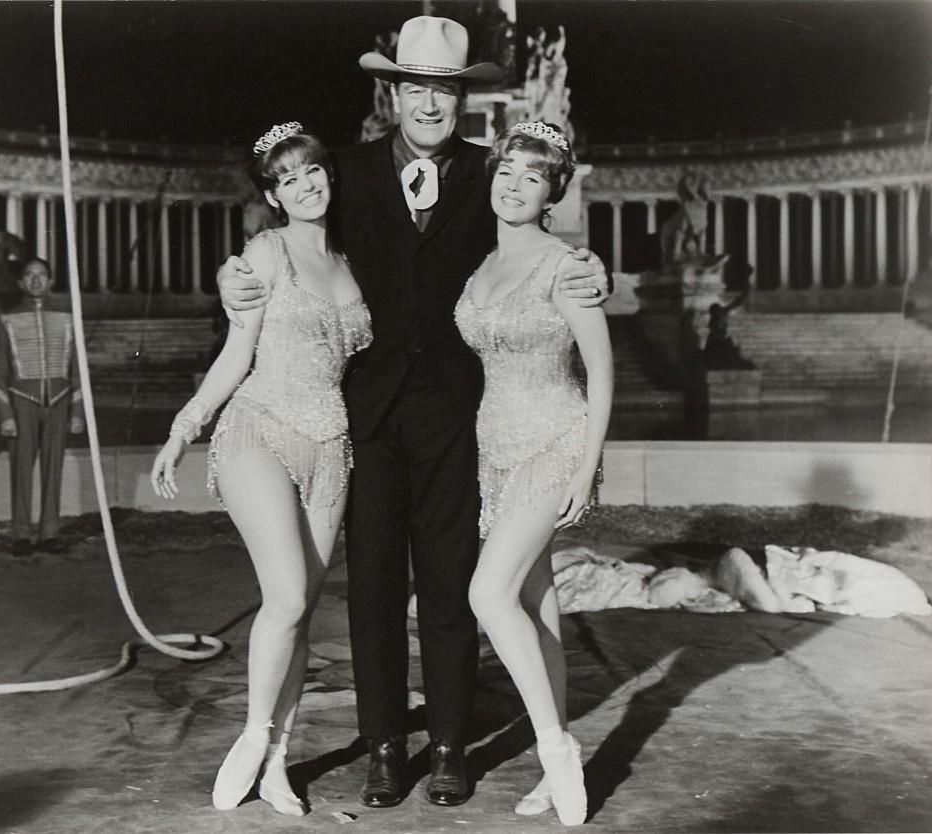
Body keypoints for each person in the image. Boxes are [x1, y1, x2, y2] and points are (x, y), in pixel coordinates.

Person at [216, 15, 612, 810]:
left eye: (445, 90)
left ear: (463, 99)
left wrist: (590, 265)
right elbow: (288, 240)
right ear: (390, 91)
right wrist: (232, 274)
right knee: (369, 590)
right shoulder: (348, 172)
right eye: (415, 88)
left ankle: (451, 748)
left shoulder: (490, 174)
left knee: (451, 582)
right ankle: (385, 745)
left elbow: (538, 246)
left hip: (460, 417)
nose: (429, 104)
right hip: (363, 414)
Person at [150, 124, 372, 814]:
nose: (306, 185)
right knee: (284, 595)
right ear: (273, 196)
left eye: (313, 171)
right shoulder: (263, 254)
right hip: (259, 429)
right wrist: (186, 424)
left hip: (331, 445)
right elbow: (235, 354)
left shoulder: (356, 259)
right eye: (288, 178)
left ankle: (277, 760)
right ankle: (251, 736)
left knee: (301, 612)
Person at [454, 121, 613, 826]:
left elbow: (602, 373)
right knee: (536, 601)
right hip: (496, 449)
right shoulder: (480, 267)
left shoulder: (567, 267)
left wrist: (587, 464)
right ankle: (556, 770)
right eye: (506, 172)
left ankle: (555, 749)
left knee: (488, 592)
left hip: (555, 437)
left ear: (553, 191)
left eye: (532, 177)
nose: (513, 187)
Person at [0, 256, 84, 557]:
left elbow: (77, 370)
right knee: (21, 470)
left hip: (59, 400)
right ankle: (21, 534)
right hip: (21, 402)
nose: (36, 281)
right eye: (30, 276)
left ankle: (50, 533)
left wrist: (77, 412)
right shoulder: (4, 320)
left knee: (53, 469)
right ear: (21, 282)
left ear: (51, 280)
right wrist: (5, 415)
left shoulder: (68, 318)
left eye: (42, 275)